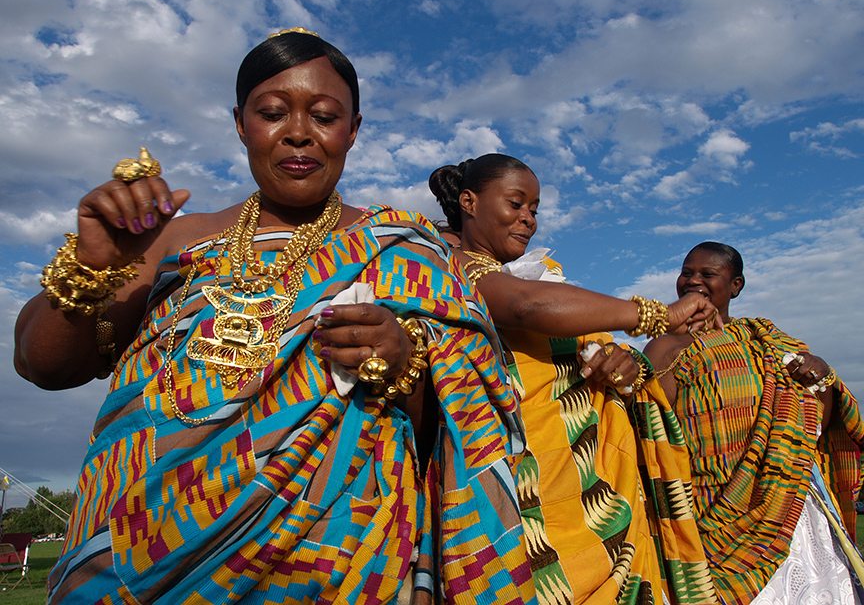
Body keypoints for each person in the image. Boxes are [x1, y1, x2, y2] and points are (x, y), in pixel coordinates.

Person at [14, 30, 535, 604]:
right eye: (271, 112)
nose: (298, 132)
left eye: (325, 116)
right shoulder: (174, 239)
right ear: (241, 123)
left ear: (353, 130)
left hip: (339, 565)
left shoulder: (405, 252)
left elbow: (466, 432)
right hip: (143, 553)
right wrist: (90, 266)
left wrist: (405, 364)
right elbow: (44, 366)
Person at [429, 154, 718, 604]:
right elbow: (527, 306)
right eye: (516, 204)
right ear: (469, 202)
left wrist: (618, 360)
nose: (528, 219)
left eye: (535, 209)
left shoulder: (538, 276)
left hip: (585, 488)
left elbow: (581, 340)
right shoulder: (447, 263)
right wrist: (658, 314)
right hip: (514, 484)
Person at [644, 241, 864, 604]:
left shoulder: (769, 343)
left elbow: (814, 424)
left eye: (707, 274)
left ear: (736, 286)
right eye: (686, 272)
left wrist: (822, 374)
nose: (692, 281)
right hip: (710, 509)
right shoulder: (666, 346)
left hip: (786, 507)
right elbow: (650, 425)